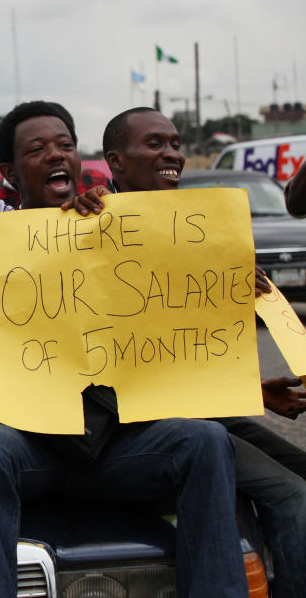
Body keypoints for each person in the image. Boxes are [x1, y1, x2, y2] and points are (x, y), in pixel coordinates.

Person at [0, 0, 247, 597]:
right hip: (35, 445)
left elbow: (191, 301)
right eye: (37, 149)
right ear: (11, 174)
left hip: (125, 443)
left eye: (65, 143)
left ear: (82, 157)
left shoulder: (124, 218)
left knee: (205, 441)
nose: (56, 154)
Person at [83, 106, 306, 598]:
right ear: (115, 162)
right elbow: (135, 357)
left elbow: (188, 345)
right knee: (293, 495)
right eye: (156, 144)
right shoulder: (89, 226)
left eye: (177, 144)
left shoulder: (198, 227)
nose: (173, 155)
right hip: (145, 427)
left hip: (201, 409)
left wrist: (254, 386)